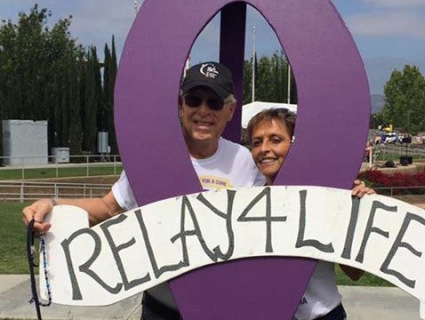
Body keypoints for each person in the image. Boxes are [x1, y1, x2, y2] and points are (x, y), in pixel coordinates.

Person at [22, 61, 265, 320]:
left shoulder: (247, 162)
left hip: (223, 308)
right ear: (181, 104)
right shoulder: (152, 160)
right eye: (195, 99)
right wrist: (51, 205)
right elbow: (108, 208)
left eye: (214, 102)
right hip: (161, 308)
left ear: (230, 110)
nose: (203, 110)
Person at [246, 108, 374, 320]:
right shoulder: (246, 202)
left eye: (275, 140)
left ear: (295, 145)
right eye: (257, 142)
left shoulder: (326, 195)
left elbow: (354, 273)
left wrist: (356, 210)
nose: (264, 149)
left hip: (324, 314)